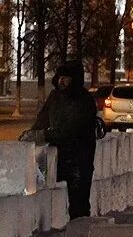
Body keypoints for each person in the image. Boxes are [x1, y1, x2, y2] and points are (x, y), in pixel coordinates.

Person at [30, 61, 99, 219]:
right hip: (57, 157)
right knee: (43, 196)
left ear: (74, 79)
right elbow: (43, 118)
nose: (61, 81)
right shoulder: (55, 97)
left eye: (65, 78)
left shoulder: (84, 100)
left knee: (79, 206)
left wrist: (43, 135)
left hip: (79, 161)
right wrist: (32, 133)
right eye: (60, 77)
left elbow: (70, 129)